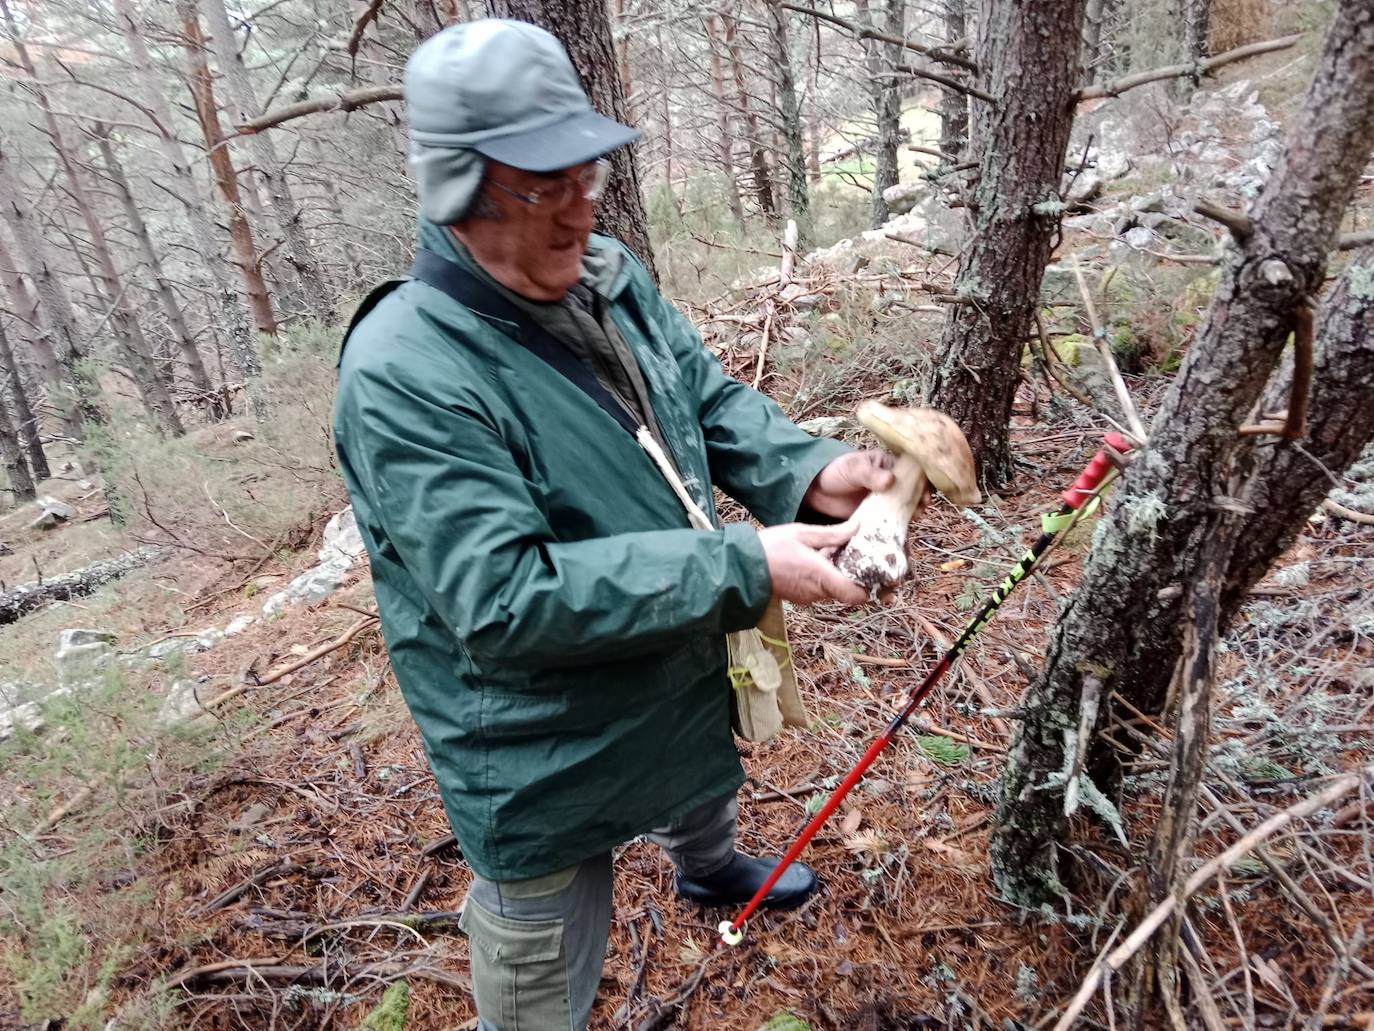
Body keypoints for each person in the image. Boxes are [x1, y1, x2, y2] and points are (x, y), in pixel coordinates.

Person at [333, 19, 892, 1031]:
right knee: (541, 964)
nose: (579, 211)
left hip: (668, 651)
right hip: (535, 740)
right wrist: (741, 562)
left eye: (586, 175)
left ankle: (710, 869)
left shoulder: (605, 271)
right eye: (543, 189)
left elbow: (702, 400)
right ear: (458, 192)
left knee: (697, 779)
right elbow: (502, 601)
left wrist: (812, 470)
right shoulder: (404, 373)